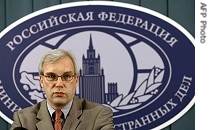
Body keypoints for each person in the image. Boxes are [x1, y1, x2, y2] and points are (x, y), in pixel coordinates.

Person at [10, 49, 114, 130]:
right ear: (41, 81)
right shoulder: (23, 119)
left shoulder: (99, 115)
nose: (59, 84)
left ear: (76, 80)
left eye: (67, 76)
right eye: (51, 76)